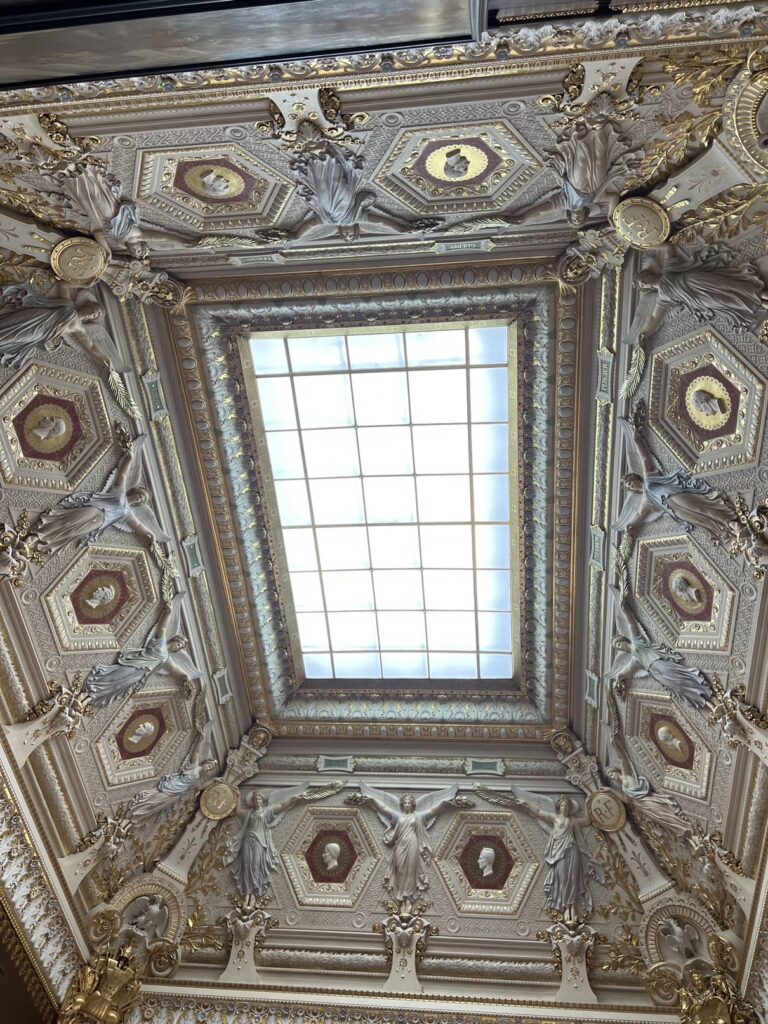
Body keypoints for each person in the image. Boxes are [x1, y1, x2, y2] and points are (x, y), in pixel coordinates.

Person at [33, 435, 170, 555]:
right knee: (67, 522)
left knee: (72, 533)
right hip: (93, 511)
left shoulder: (127, 513)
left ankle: (45, 543)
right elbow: (123, 475)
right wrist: (129, 459)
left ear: (139, 503)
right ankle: (38, 535)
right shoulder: (119, 493)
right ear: (135, 492)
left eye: (141, 499)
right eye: (140, 495)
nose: (139, 498)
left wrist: (150, 534)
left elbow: (139, 526)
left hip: (99, 523)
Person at [613, 419, 736, 542]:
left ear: (635, 478)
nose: (630, 485)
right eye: (629, 487)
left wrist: (637, 441)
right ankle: (728, 530)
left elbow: (645, 459)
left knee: (701, 509)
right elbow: (639, 514)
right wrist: (629, 525)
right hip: (675, 511)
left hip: (675, 496)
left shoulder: (649, 479)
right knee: (700, 520)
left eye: (630, 482)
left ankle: (732, 523)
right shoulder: (646, 501)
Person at [352, 784, 462, 908]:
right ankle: (400, 895)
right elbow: (383, 808)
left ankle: (409, 897)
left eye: (409, 802)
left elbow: (433, 810)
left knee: (411, 870)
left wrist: (446, 802)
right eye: (405, 802)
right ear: (402, 804)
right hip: (400, 844)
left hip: (412, 843)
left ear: (412, 804)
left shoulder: (418, 816)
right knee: (399, 869)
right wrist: (371, 799)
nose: (407, 804)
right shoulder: (398, 816)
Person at [607, 585, 712, 708]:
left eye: (619, 643)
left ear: (624, 640)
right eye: (618, 647)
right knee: (680, 688)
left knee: (683, 680)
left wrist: (625, 610)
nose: (620, 646)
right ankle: (707, 703)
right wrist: (618, 679)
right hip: (657, 674)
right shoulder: (635, 661)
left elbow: (631, 624)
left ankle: (707, 694)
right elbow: (625, 672)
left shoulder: (637, 642)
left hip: (660, 664)